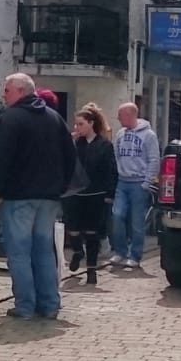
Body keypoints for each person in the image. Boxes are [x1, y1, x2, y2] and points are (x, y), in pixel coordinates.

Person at [0, 73, 79, 319]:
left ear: (20, 91)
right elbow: (70, 156)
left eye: (7, 90)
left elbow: (1, 158)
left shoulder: (11, 119)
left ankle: (25, 306)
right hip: (49, 197)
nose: (3, 95)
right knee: (44, 251)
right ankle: (49, 305)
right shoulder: (54, 118)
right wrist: (61, 186)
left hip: (19, 197)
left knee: (19, 252)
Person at [65, 105, 119, 275]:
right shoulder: (75, 144)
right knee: (72, 227)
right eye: (76, 124)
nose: (77, 128)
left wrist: (109, 193)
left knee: (92, 232)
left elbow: (111, 170)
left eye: (80, 124)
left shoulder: (104, 145)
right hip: (75, 193)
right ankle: (77, 251)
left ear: (91, 123)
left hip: (96, 193)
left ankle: (91, 269)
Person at [110, 102, 159, 268]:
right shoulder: (120, 134)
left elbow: (154, 159)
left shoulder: (149, 135)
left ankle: (135, 255)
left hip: (139, 182)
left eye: (121, 115)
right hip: (123, 182)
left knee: (137, 221)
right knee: (117, 215)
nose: (118, 118)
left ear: (130, 115)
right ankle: (120, 251)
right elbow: (116, 155)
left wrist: (147, 182)